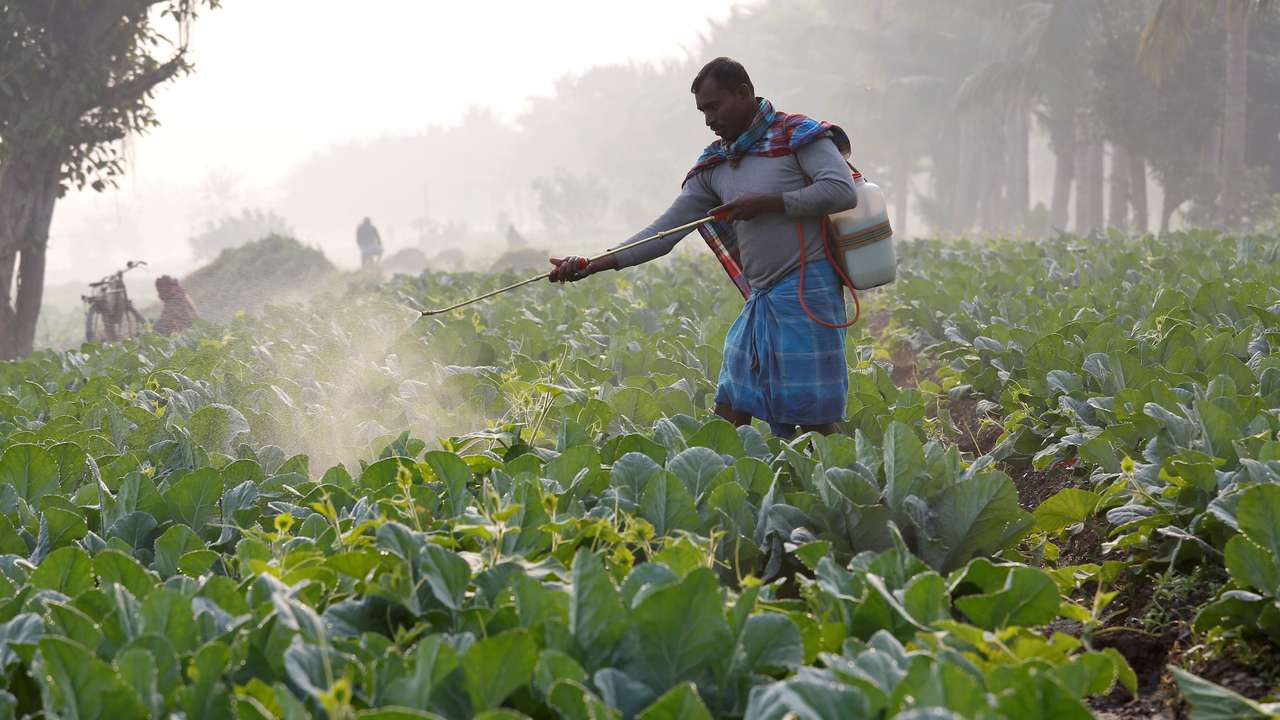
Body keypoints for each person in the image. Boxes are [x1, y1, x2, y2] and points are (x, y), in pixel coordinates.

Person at [548, 57, 858, 437]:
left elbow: (841, 191)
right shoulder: (716, 164)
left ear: (744, 93)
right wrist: (592, 263)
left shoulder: (798, 136)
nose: (709, 119)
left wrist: (767, 202)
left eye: (714, 106)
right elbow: (664, 232)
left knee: (813, 416)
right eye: (702, 111)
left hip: (809, 290)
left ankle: (838, 487)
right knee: (731, 401)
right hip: (762, 300)